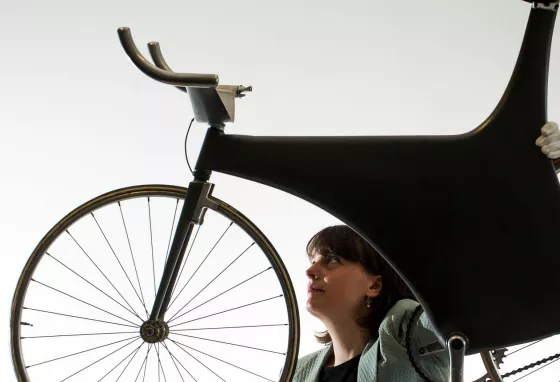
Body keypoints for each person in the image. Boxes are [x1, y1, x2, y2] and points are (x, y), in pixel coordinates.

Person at [289, 122, 560, 382]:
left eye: (332, 260)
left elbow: (478, 291)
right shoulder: (298, 371)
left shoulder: (406, 328)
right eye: (313, 261)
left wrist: (536, 176)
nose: (311, 271)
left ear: (374, 285)